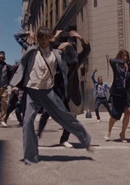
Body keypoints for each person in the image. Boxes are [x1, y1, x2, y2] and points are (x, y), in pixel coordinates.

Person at [9, 26, 93, 165]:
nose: (43, 41)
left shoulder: (57, 54)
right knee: (27, 121)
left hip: (48, 92)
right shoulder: (32, 49)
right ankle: (31, 157)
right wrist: (28, 33)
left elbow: (79, 55)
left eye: (46, 38)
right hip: (31, 90)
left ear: (50, 39)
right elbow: (17, 36)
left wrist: (74, 41)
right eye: (40, 38)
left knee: (65, 116)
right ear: (37, 39)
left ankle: (85, 138)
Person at [37, 30, 91, 148]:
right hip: (55, 90)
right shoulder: (56, 58)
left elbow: (87, 50)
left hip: (69, 93)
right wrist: (56, 36)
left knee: (71, 116)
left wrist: (80, 37)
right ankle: (37, 135)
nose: (64, 49)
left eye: (68, 47)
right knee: (46, 112)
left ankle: (64, 139)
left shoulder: (75, 61)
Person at [105, 49, 130, 143]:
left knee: (128, 110)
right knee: (115, 115)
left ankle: (123, 133)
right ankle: (109, 131)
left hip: (127, 92)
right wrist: (122, 62)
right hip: (117, 91)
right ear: (120, 57)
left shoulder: (129, 67)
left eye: (126, 56)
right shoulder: (116, 65)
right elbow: (111, 60)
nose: (125, 57)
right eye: (123, 56)